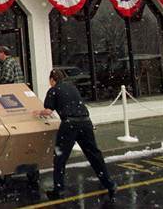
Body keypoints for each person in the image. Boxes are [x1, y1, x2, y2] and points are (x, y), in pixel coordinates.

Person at [34, 69, 117, 200]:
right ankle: (109, 184)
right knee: (94, 154)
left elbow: (48, 111)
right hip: (86, 122)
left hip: (69, 124)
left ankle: (58, 189)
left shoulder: (54, 90)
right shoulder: (72, 88)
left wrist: (37, 112)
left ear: (52, 80)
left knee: (60, 157)